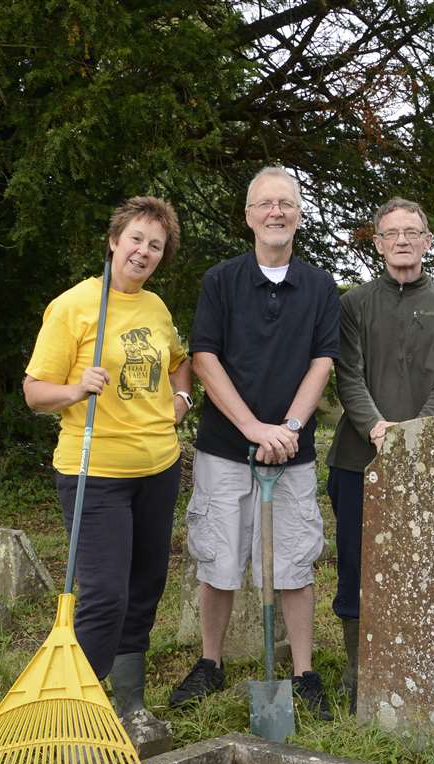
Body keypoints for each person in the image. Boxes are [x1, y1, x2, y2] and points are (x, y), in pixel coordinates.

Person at [169, 167, 340, 718]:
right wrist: (251, 428)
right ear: (248, 216)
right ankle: (210, 662)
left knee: (293, 561)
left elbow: (322, 362)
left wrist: (287, 429)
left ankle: (304, 672)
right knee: (218, 557)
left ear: (298, 215)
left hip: (291, 453)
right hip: (225, 448)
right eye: (265, 203)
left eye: (286, 203)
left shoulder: (318, 286)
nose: (276, 212)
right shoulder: (221, 281)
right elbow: (204, 359)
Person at [22, 195, 192, 736]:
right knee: (103, 595)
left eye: (156, 246)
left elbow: (180, 364)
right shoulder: (73, 306)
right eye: (136, 240)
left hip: (159, 468)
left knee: (145, 585)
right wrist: (76, 387)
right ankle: (79, 717)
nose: (144, 252)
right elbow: (33, 392)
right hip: (95, 473)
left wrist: (180, 403)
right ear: (114, 241)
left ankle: (131, 707)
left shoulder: (156, 309)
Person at [329, 197, 434, 709]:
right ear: (379, 243)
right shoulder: (354, 305)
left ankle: (413, 661)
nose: (403, 241)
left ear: (428, 241)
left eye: (412, 232)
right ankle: (355, 667)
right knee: (355, 562)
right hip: (356, 458)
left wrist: (414, 435)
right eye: (391, 233)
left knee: (422, 562)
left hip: (426, 459)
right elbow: (349, 374)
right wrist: (375, 428)